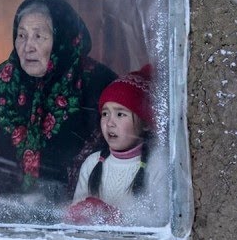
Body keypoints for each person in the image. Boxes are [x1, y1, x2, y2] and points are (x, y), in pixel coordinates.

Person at [0, 0, 117, 223]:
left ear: (62, 37)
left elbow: (113, 155)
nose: (27, 47)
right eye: (21, 35)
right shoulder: (3, 81)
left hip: (73, 224)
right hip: (4, 220)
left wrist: (63, 212)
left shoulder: (94, 83)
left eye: (39, 36)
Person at [66, 65, 166, 226]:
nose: (110, 123)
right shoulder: (93, 162)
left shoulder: (157, 164)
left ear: (146, 123)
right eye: (105, 113)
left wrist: (113, 216)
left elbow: (162, 219)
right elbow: (76, 221)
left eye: (120, 114)